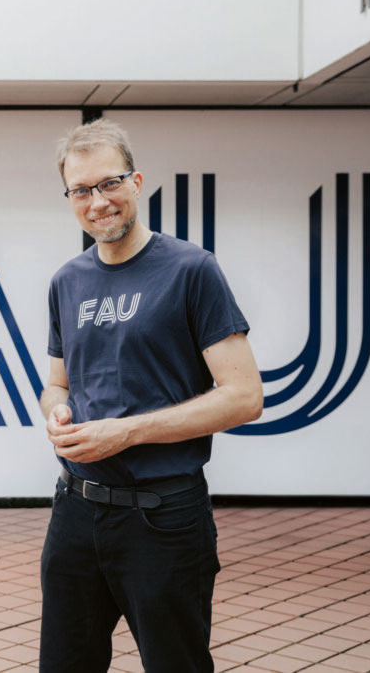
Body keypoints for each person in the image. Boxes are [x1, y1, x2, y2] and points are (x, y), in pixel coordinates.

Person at [39, 118, 263, 672]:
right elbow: (57, 383)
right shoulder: (66, 281)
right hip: (75, 512)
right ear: (69, 198)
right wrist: (56, 413)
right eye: (81, 190)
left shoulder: (192, 270)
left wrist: (127, 431)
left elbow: (244, 397)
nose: (98, 202)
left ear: (136, 182)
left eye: (109, 183)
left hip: (163, 517)